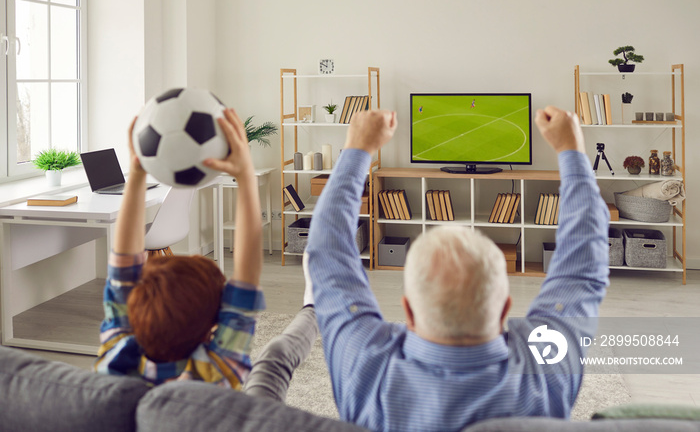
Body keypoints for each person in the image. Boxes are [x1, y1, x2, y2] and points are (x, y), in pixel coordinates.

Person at [304, 106, 610, 431]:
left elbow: (326, 250)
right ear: (506, 308)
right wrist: (572, 152)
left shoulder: (366, 365)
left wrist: (357, 149)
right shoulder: (546, 367)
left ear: (407, 310)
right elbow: (582, 267)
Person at [95, 108, 317, 399]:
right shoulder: (216, 371)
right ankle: (314, 306)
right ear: (212, 328)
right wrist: (243, 172)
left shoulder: (117, 359)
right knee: (275, 360)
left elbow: (122, 265)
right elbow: (123, 268)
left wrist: (136, 172)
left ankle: (314, 307)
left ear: (135, 308)